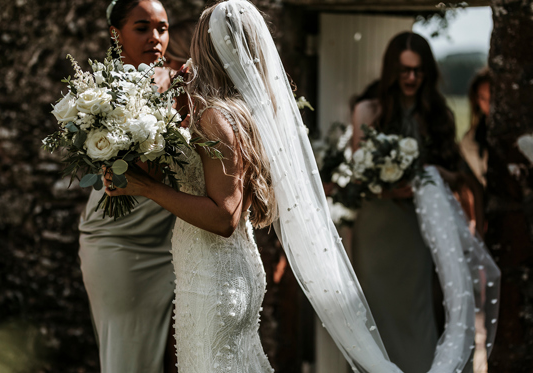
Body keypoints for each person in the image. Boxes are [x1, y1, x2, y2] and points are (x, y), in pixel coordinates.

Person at [105, 4, 498, 372]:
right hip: (224, 269)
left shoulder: (214, 116)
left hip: (213, 276)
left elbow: (224, 215)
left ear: (209, 45)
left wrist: (144, 187)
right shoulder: (239, 111)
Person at [350, 32, 478, 373]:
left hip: (415, 229)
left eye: (418, 71)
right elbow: (358, 178)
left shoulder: (437, 115)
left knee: (417, 313)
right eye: (404, 70)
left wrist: (434, 174)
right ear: (392, 70)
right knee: (375, 317)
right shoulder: (367, 110)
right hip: (377, 231)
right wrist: (391, 188)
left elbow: (457, 176)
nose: (410, 77)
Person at [78, 1, 176, 372]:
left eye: (162, 28)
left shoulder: (184, 80)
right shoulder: (96, 93)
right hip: (117, 240)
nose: (155, 37)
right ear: (115, 34)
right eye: (142, 27)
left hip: (172, 237)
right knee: (128, 358)